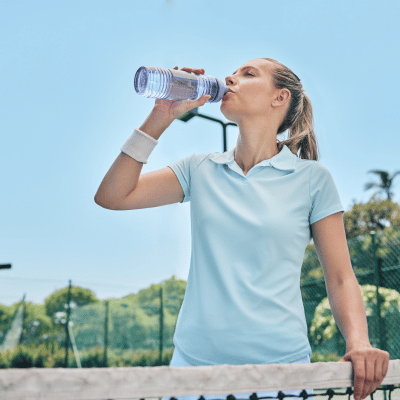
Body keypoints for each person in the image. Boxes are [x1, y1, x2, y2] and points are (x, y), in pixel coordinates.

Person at [94, 59, 390, 400]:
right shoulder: (199, 169)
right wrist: (160, 116)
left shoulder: (312, 180)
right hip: (193, 373)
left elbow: (340, 277)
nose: (231, 77)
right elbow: (112, 196)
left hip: (282, 375)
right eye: (234, 72)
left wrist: (360, 343)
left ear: (279, 98)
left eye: (248, 74)